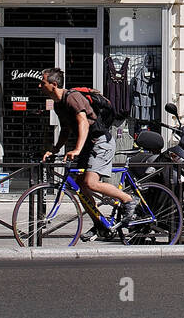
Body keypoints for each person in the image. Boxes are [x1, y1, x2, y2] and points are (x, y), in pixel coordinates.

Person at [39, 68, 139, 225]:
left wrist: (77, 149)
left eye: (42, 82)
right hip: (88, 144)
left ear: (53, 84)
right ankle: (100, 223)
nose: (40, 86)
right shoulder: (59, 105)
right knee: (80, 186)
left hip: (100, 141)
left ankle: (129, 200)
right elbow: (65, 129)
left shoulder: (72, 97)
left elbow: (83, 122)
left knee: (91, 183)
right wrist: (55, 149)